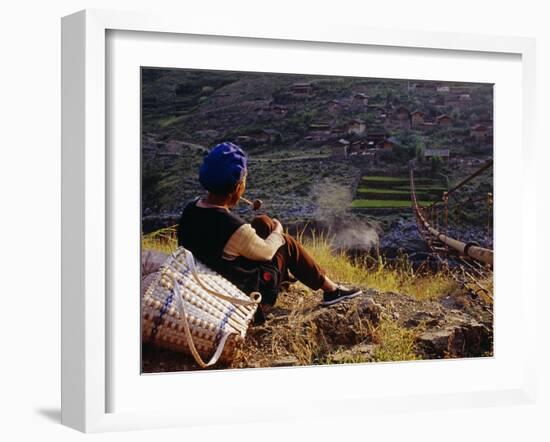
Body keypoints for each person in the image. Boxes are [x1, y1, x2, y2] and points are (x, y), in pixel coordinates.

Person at [177, 142, 362, 317]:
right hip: (244, 296)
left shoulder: (191, 208)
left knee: (262, 222)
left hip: (212, 282)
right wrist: (278, 231)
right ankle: (331, 290)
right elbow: (266, 252)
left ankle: (285, 276)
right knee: (286, 243)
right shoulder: (234, 228)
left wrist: (268, 227)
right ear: (237, 186)